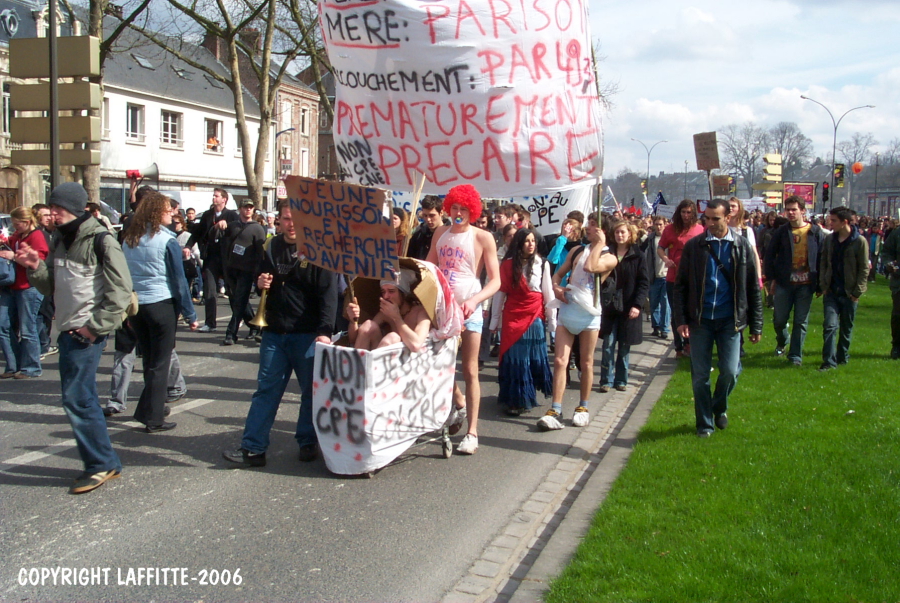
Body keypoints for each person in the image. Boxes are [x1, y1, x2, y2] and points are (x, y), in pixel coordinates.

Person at [16, 182, 132, 494]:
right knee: (79, 398)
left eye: (58, 208)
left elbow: (120, 294)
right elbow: (51, 285)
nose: (52, 213)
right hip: (67, 330)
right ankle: (105, 461)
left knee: (77, 398)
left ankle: (100, 464)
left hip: (84, 333)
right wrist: (34, 266)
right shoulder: (60, 239)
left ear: (76, 209)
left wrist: (93, 328)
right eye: (51, 208)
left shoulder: (101, 240)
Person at [223, 201, 339, 468]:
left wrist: (324, 331)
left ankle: (307, 441)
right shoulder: (272, 246)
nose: (291, 224)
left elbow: (328, 295)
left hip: (307, 334)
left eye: (296, 219)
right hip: (275, 332)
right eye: (286, 219)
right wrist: (260, 283)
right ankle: (253, 448)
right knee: (266, 391)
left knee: (311, 392)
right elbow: (262, 277)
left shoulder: (319, 251)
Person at [673, 199, 763, 438]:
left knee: (730, 371)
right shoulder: (695, 246)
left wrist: (757, 324)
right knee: (700, 376)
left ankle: (719, 406)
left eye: (716, 218)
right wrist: (681, 319)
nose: (710, 223)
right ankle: (704, 424)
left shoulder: (741, 246)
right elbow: (680, 286)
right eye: (707, 218)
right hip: (701, 320)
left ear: (728, 218)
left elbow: (752, 287)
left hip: (729, 320)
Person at [426, 184, 500, 455]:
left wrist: (475, 300)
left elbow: (496, 281)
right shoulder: (440, 233)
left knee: (470, 370)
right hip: (442, 310)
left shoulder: (482, 237)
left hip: (470, 311)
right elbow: (430, 268)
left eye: (464, 209)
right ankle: (458, 401)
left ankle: (472, 432)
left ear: (473, 211)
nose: (458, 213)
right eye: (455, 208)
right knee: (438, 365)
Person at [122, 193, 198, 433]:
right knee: (160, 362)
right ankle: (153, 416)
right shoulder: (167, 241)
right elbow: (178, 280)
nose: (173, 213)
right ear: (156, 213)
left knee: (149, 359)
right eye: (168, 210)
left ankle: (152, 406)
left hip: (137, 305)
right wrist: (190, 313)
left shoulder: (129, 239)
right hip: (161, 303)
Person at [538, 213, 617, 430]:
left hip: (589, 313)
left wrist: (600, 243)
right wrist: (557, 287)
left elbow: (592, 268)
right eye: (589, 224)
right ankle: (555, 408)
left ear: (603, 231)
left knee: (586, 362)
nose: (588, 228)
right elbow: (558, 274)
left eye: (593, 226)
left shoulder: (610, 257)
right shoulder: (576, 250)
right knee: (560, 360)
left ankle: (583, 407)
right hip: (569, 308)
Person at [490, 228, 554, 415]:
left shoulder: (542, 264)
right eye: (527, 241)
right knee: (516, 358)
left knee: (531, 358)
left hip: (534, 315)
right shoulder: (507, 265)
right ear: (519, 243)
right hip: (512, 315)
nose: (531, 244)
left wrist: (553, 323)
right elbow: (499, 294)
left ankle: (528, 393)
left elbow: (548, 293)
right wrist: (494, 322)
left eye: (533, 240)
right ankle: (515, 400)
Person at [764, 195, 824, 366]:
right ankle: (783, 341)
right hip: (784, 283)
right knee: (779, 319)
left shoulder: (815, 232)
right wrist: (771, 279)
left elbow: (821, 257)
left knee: (800, 321)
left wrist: (820, 283)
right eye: (788, 209)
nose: (790, 213)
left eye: (794, 210)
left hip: (806, 284)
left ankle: (795, 356)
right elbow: (769, 256)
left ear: (802, 211)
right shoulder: (781, 232)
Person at [598, 221, 649, 393]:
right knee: (608, 344)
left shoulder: (638, 255)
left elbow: (643, 283)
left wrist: (637, 305)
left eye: (623, 232)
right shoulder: (607, 252)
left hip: (628, 307)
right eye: (617, 232)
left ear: (630, 234)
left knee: (624, 346)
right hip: (610, 307)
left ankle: (621, 379)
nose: (620, 235)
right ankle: (606, 379)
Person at [0, 207, 49, 379]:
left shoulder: (36, 236)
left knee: (28, 328)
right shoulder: (18, 236)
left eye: (17, 224)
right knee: (3, 325)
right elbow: (8, 241)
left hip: (29, 287)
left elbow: (40, 260)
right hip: (12, 286)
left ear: (27, 222)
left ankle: (31, 367)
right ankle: (13, 365)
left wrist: (13, 256)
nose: (15, 227)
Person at [818, 207, 868, 371]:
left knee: (846, 328)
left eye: (833, 221)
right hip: (832, 290)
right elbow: (824, 262)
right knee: (830, 326)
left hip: (849, 292)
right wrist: (824, 285)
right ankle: (828, 362)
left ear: (844, 222)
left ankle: (842, 357)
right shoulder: (830, 240)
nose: (829, 223)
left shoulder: (859, 241)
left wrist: (857, 291)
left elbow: (863, 268)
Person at [184, 188, 238, 332]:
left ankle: (237, 318)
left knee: (231, 289)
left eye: (216, 196)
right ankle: (209, 323)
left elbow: (239, 231)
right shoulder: (208, 215)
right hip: (211, 257)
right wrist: (188, 246)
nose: (214, 198)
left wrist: (228, 225)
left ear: (224, 199)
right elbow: (197, 232)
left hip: (227, 258)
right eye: (213, 196)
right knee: (210, 289)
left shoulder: (231, 215)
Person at [658, 199, 704, 357]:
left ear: (693, 214)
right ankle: (678, 346)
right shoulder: (670, 229)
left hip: (693, 277)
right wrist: (665, 259)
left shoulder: (699, 229)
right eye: (683, 212)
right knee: (676, 313)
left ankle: (690, 343)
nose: (685, 215)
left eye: (689, 212)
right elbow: (660, 248)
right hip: (673, 278)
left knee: (692, 311)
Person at [347, 268, 431, 352]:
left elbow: (416, 345)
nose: (386, 296)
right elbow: (354, 340)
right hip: (382, 360)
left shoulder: (420, 312)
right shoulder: (385, 313)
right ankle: (358, 364)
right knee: (368, 325)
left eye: (391, 291)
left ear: (403, 294)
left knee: (393, 337)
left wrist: (397, 318)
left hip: (410, 360)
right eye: (383, 292)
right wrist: (353, 320)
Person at [222, 200, 266, 345]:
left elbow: (261, 253)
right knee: (237, 300)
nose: (248, 210)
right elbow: (223, 244)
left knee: (239, 301)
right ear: (240, 209)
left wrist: (259, 272)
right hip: (231, 269)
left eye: (250, 208)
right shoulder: (233, 225)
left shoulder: (257, 228)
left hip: (247, 271)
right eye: (245, 207)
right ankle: (254, 326)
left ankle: (231, 333)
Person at [643, 216, 669, 339]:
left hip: (667, 275)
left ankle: (664, 328)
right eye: (656, 224)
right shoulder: (650, 239)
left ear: (665, 224)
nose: (659, 227)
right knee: (653, 303)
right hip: (654, 275)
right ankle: (656, 326)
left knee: (665, 303)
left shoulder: (669, 238)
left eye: (661, 224)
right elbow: (641, 251)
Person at [882, 224, 900, 359]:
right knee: (898, 315)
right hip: (899, 281)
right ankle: (897, 346)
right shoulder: (897, 233)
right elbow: (887, 251)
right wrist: (889, 264)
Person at [406, 196, 443, 261]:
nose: (428, 219)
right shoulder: (419, 233)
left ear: (441, 213)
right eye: (425, 215)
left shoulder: (449, 234)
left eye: (432, 215)